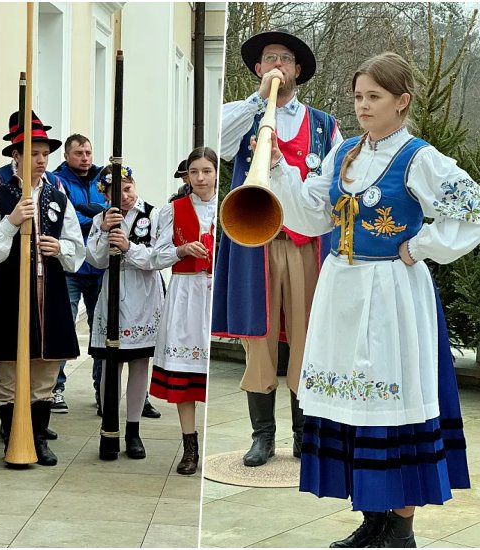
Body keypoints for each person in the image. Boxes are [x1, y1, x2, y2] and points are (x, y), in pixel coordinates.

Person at [267, 52, 479, 548]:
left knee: (393, 399)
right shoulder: (346, 155)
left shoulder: (418, 157)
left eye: (374, 97)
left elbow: (473, 209)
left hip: (392, 293)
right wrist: (279, 171)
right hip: (343, 288)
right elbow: (310, 217)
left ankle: (400, 528)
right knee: (355, 404)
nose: (363, 106)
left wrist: (420, 245)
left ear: (401, 101)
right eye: (358, 96)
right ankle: (371, 519)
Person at [212, 29, 342, 467]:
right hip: (256, 241)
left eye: (285, 59)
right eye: (269, 59)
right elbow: (216, 139)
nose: (277, 66)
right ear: (257, 68)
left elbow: (335, 186)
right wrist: (257, 100)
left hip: (305, 243)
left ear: (298, 70)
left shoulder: (325, 126)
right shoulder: (242, 116)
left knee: (307, 336)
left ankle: (304, 434)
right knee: (260, 339)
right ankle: (262, 436)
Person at [0, 112, 84, 467]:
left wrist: (61, 249)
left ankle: (38, 437)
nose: (41, 160)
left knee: (46, 368)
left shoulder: (57, 191)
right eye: (34, 153)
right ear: (16, 155)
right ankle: (12, 434)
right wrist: (11, 222)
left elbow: (75, 246)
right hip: (7, 291)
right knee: (9, 369)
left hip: (48, 289)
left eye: (44, 153)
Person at [86, 165, 167, 460]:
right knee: (111, 363)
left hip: (144, 295)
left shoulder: (154, 214)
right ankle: (110, 429)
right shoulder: (101, 219)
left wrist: (129, 248)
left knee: (139, 362)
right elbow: (95, 260)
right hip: (114, 296)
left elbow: (157, 257)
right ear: (106, 195)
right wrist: (105, 232)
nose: (125, 197)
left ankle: (134, 431)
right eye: (117, 193)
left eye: (129, 188)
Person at [151, 147, 218, 475]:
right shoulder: (173, 210)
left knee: (214, 375)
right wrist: (181, 249)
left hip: (215, 292)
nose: (201, 178)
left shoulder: (228, 207)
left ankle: (215, 444)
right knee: (185, 377)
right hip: (185, 294)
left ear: (216, 173)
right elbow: (157, 256)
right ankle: (189, 446)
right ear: (186, 176)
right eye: (194, 172)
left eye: (206, 171)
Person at [50, 134, 107, 415]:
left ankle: (102, 390)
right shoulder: (57, 180)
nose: (85, 157)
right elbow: (63, 217)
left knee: (101, 331)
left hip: (99, 268)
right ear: (66, 156)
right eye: (79, 153)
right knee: (63, 327)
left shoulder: (104, 178)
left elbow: (113, 211)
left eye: (88, 151)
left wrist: (95, 216)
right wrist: (96, 217)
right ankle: (56, 389)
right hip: (70, 267)